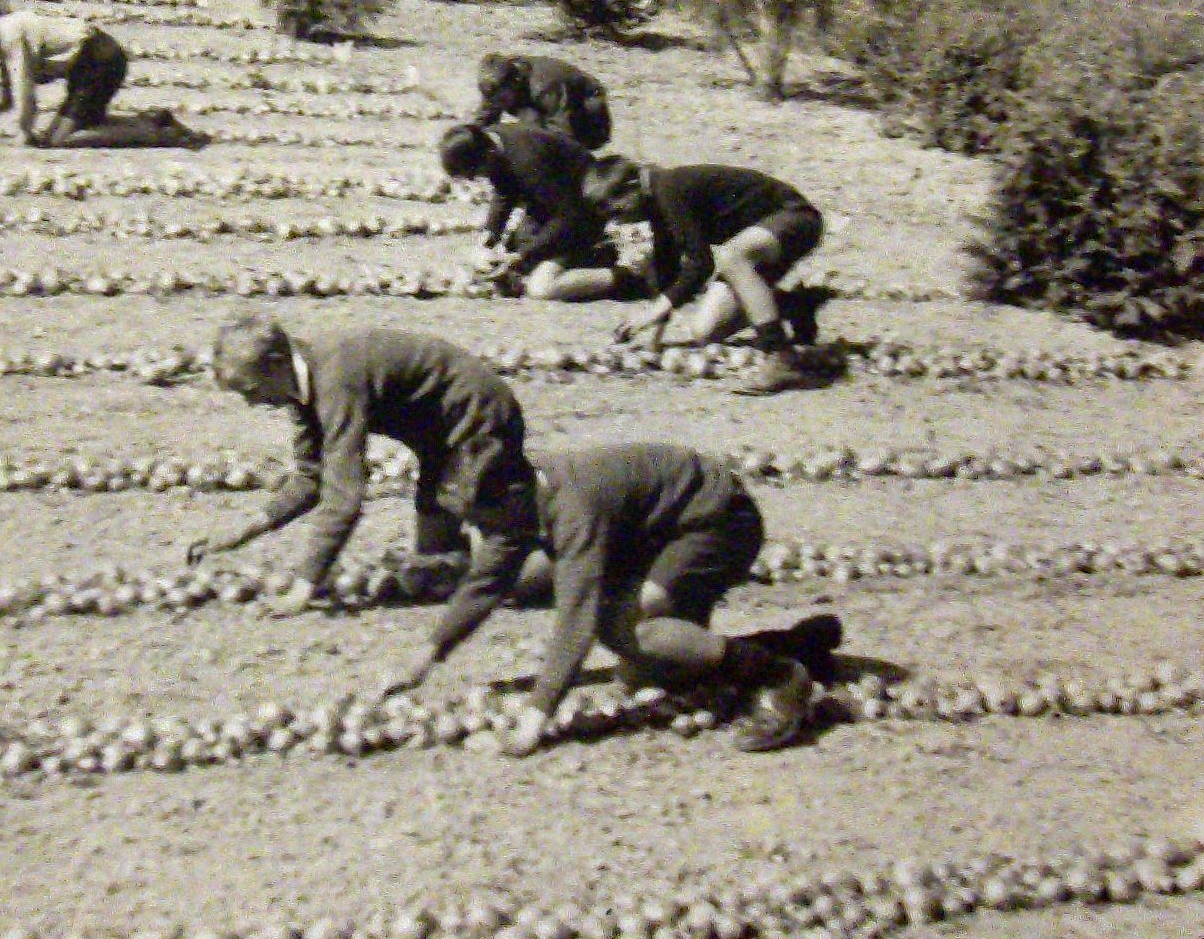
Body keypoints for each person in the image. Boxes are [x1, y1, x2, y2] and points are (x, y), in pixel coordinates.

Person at [192, 318, 539, 676]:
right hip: (437, 436)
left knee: (499, 565)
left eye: (249, 389)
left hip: (477, 419)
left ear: (278, 362)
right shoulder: (303, 387)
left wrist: (305, 584)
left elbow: (344, 493)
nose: (250, 402)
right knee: (436, 569)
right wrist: (246, 530)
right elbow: (313, 477)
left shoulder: (336, 381)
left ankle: (564, 561)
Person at [494, 442, 831, 758]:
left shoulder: (574, 506)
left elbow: (578, 619)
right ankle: (794, 644)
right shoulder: (538, 486)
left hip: (719, 521)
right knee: (666, 669)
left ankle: (780, 676)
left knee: (637, 627)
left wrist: (539, 709)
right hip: (671, 533)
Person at [587, 159, 829, 396]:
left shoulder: (669, 189)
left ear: (632, 186)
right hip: (755, 244)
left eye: (617, 209)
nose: (617, 220)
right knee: (705, 331)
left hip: (794, 218)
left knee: (732, 256)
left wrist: (654, 312)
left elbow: (700, 264)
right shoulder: (656, 202)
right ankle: (797, 305)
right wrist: (654, 337)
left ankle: (779, 354)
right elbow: (667, 270)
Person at [0, 0, 199, 148]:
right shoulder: (4, 34)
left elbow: (25, 97)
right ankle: (153, 120)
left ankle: (158, 134)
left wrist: (24, 134)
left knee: (62, 138)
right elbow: (4, 99)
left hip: (99, 60)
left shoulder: (13, 39)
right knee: (82, 124)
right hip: (91, 61)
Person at [439, 122, 623, 302]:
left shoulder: (529, 161)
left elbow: (567, 215)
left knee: (541, 288)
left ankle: (625, 277)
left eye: (474, 173)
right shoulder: (492, 142)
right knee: (513, 256)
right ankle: (585, 257)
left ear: (489, 155)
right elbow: (504, 191)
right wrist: (489, 235)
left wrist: (522, 256)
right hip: (551, 206)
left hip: (585, 211)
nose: (476, 178)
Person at [475, 52, 613, 153]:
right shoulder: (498, 81)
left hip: (586, 111)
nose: (499, 106)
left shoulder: (544, 87)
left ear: (515, 82)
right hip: (543, 107)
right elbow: (484, 120)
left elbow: (562, 131)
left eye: (502, 100)